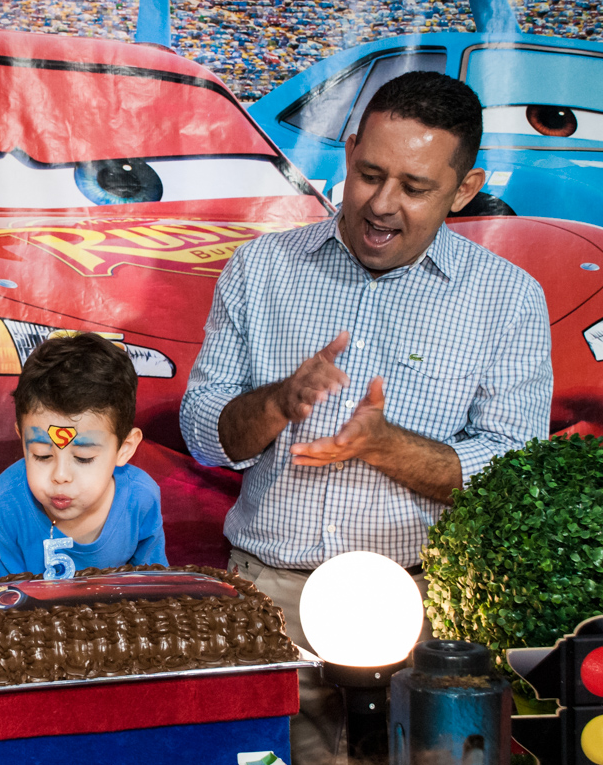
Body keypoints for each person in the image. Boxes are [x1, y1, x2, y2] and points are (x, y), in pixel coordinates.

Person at [180, 71, 553, 761]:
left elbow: (511, 472)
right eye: (369, 174)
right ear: (348, 153)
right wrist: (277, 403)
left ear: (464, 189)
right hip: (269, 606)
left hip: (422, 618)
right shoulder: (260, 270)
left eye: (414, 187)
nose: (381, 205)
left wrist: (384, 445)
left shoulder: (508, 300)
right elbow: (203, 429)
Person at [0, 332, 167, 579]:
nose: (60, 476)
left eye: (84, 457)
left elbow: (156, 591)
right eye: (42, 455)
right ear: (22, 440)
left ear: (124, 448)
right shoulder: (1, 510)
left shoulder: (141, 500)